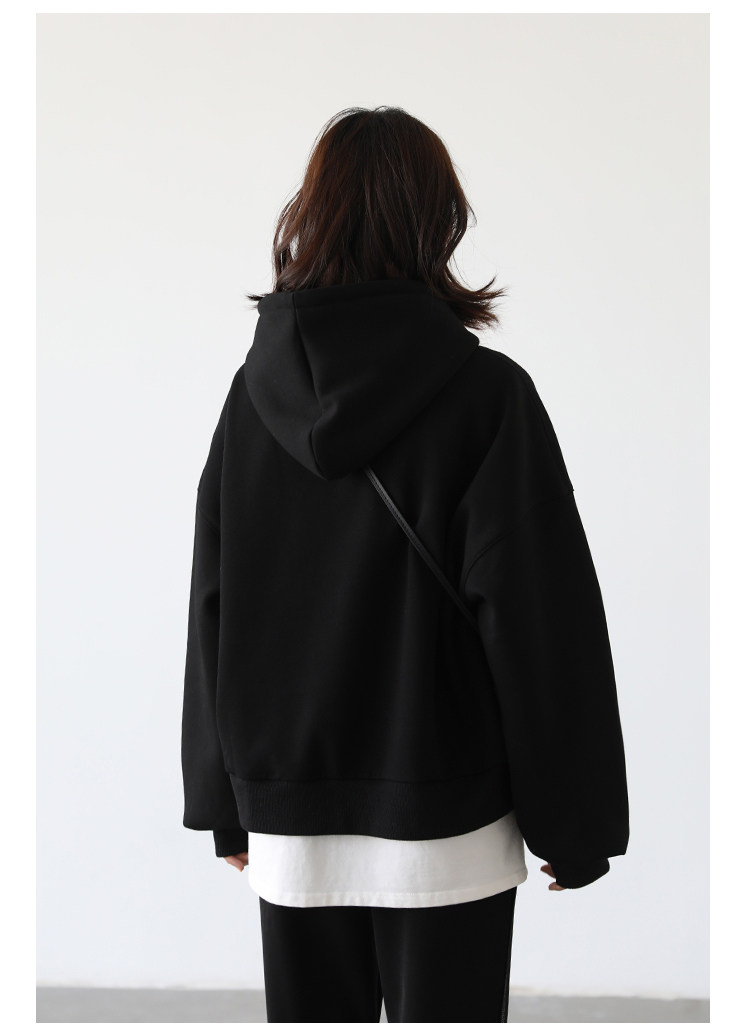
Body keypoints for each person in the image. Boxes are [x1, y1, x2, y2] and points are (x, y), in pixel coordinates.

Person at [181, 105, 629, 1024]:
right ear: (439, 220)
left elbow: (215, 601)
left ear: (313, 214)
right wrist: (575, 820)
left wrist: (221, 798)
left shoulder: (251, 398)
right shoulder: (488, 397)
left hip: (291, 817)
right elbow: (541, 621)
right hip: (446, 816)